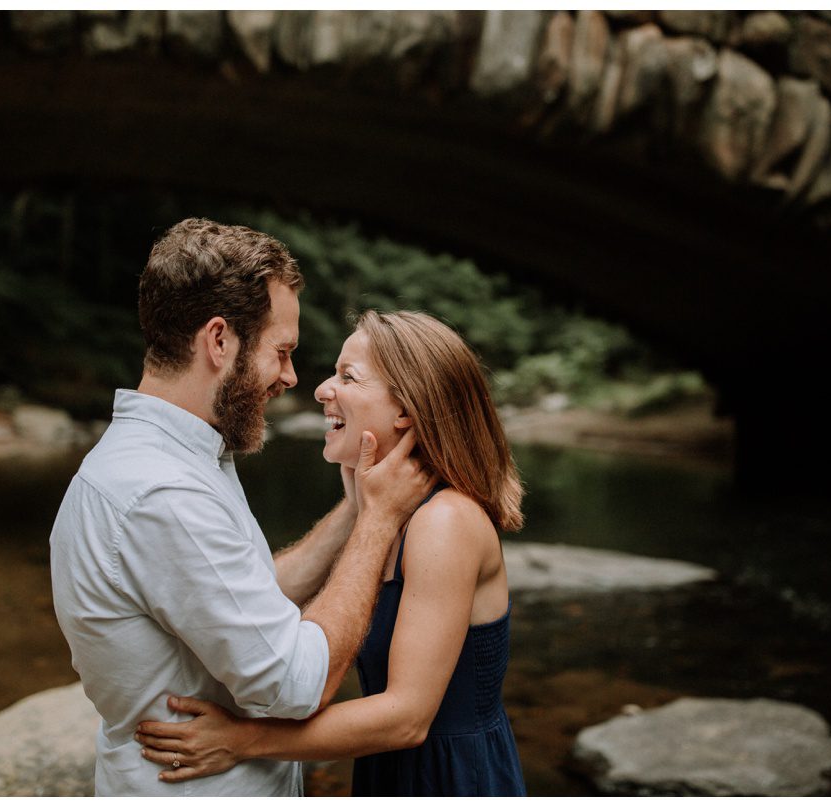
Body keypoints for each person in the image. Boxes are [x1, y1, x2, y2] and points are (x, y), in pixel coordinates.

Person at [49, 220, 434, 796]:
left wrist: (358, 509)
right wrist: (379, 523)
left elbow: (244, 598)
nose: (292, 377)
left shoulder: (178, 456)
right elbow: (296, 683)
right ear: (220, 341)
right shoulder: (164, 492)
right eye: (281, 352)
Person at [135, 310, 527, 796]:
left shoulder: (444, 523)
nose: (321, 389)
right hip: (390, 771)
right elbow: (260, 602)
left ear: (405, 410)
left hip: (448, 779)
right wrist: (360, 508)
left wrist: (241, 740)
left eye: (348, 377)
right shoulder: (391, 513)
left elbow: (406, 718)